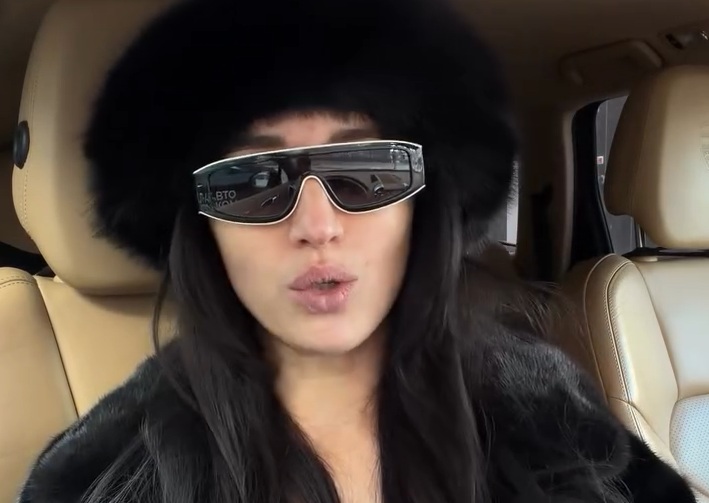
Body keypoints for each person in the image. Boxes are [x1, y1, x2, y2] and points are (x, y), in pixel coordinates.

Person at [17, 0, 697, 502]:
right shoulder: (102, 476)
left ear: (421, 205)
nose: (318, 225)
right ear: (202, 227)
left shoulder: (550, 416)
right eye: (253, 181)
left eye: (367, 172)